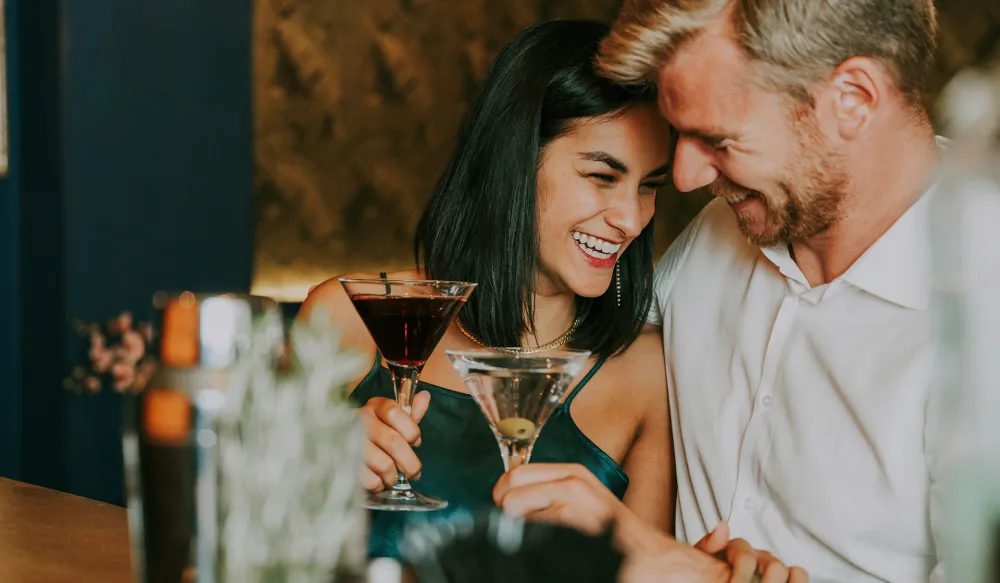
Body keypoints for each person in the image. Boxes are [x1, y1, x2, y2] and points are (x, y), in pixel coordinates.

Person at [302, 18, 797, 582]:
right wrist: (313, 466)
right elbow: (238, 536)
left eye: (648, 185)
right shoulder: (352, 318)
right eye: (602, 176)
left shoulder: (643, 376)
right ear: (513, 163)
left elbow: (643, 568)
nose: (632, 219)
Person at [493, 1, 943, 581]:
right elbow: (553, 333)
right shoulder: (725, 228)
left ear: (852, 101)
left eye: (719, 140)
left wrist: (684, 568)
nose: (686, 176)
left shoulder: (980, 315)